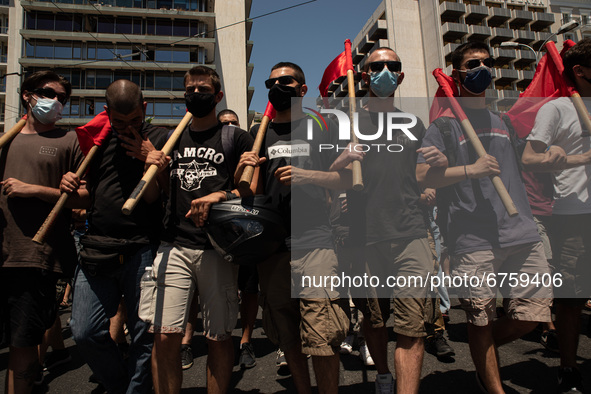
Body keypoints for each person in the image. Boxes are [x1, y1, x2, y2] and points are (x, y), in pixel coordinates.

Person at [416, 41, 553, 393]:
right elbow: (421, 177)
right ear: (456, 75)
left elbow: (528, 161)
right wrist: (469, 169)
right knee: (479, 318)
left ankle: (483, 349)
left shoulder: (504, 121)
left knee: (532, 316)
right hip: (472, 238)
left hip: (521, 230)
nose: (482, 69)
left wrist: (558, 153)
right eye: (472, 63)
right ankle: (492, 385)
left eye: (485, 62)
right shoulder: (443, 128)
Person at [236, 61, 350, 394]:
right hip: (271, 248)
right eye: (272, 82)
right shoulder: (260, 132)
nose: (277, 86)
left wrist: (306, 176)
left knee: (322, 333)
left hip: (315, 241)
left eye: (286, 81)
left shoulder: (322, 125)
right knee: (288, 335)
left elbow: (345, 178)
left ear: (302, 89)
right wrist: (243, 173)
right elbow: (248, 195)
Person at [140, 65, 255, 394]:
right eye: (189, 90)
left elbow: (250, 192)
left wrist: (220, 195)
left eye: (202, 90)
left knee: (218, 337)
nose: (194, 95)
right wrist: (154, 169)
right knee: (164, 335)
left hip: (217, 249)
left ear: (217, 96)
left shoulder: (235, 137)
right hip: (172, 245)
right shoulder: (168, 138)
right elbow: (152, 195)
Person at [330, 47, 434, 394]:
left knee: (411, 327)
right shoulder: (348, 125)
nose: (385, 71)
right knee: (374, 320)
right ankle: (384, 374)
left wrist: (435, 168)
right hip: (364, 235)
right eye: (377, 66)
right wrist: (341, 160)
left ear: (400, 76)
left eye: (392, 66)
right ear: (364, 75)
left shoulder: (414, 124)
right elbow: (326, 181)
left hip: (411, 232)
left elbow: (421, 174)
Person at [60, 79, 169, 393]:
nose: (127, 128)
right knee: (83, 331)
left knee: (144, 334)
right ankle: (121, 385)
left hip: (142, 248)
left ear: (144, 109)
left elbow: (158, 198)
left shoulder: (159, 138)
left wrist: (151, 160)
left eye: (135, 120)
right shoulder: (97, 140)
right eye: (119, 122)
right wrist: (69, 186)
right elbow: (84, 196)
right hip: (97, 245)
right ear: (107, 113)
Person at [0, 70, 83, 394]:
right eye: (49, 93)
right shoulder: (7, 141)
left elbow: (84, 198)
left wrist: (33, 190)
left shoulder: (68, 141)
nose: (55, 102)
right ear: (27, 95)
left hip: (34, 257)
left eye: (62, 98)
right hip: (1, 251)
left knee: (23, 345)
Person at [521, 37, 591, 393]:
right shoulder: (558, 109)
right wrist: (571, 157)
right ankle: (568, 367)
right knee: (572, 299)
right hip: (574, 215)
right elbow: (529, 159)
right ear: (579, 71)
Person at [216, 109, 260, 369]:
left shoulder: (247, 152)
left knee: (250, 287)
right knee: (222, 290)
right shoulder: (215, 154)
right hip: (221, 232)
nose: (230, 128)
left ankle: (246, 341)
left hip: (247, 229)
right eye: (225, 124)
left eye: (234, 123)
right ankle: (223, 339)